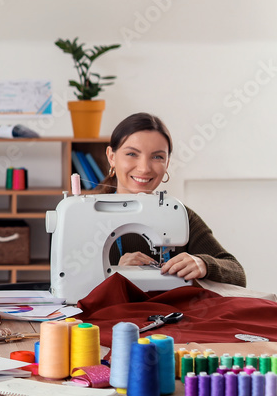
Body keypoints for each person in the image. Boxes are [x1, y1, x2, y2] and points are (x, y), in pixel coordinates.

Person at [99, 112, 246, 286]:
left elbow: (238, 274)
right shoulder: (87, 217)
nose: (144, 168)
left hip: (174, 313)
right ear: (111, 157)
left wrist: (204, 264)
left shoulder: (180, 215)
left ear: (167, 163)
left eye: (157, 157)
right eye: (132, 154)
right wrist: (112, 274)